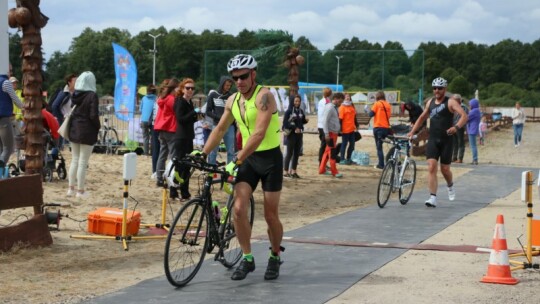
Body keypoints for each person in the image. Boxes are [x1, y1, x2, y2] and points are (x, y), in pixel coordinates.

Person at [201, 54, 284, 281]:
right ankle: (247, 259)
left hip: (270, 160)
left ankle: (275, 255)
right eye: (235, 77)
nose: (239, 81)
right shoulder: (232, 101)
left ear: (253, 74)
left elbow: (258, 134)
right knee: (238, 210)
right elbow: (219, 130)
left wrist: (236, 159)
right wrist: (202, 152)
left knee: (270, 215)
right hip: (248, 160)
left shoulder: (264, 96)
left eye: (243, 76)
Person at [407, 77, 468, 208]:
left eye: (440, 88)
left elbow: (464, 116)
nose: (437, 91)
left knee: (445, 169)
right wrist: (412, 132)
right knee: (431, 167)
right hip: (433, 139)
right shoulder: (430, 102)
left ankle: (450, 185)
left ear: (445, 89)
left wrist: (456, 127)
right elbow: (422, 117)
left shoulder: (450, 102)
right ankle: (432, 197)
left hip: (447, 140)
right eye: (434, 88)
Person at [66, 71, 100, 199]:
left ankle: (70, 189)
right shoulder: (92, 95)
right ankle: (80, 191)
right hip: (87, 131)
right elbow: (93, 115)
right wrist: (98, 126)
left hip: (74, 129)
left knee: (75, 159)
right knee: (82, 162)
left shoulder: (76, 94)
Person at [173, 78, 199, 200]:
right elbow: (180, 119)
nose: (190, 90)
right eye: (187, 88)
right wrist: (193, 112)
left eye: (192, 88)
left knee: (187, 165)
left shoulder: (189, 102)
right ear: (183, 89)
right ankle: (173, 190)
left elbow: (189, 119)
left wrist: (197, 117)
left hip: (188, 137)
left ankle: (185, 192)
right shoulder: (180, 101)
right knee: (179, 165)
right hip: (181, 137)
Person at [154, 78, 179, 186]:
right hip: (170, 128)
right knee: (173, 155)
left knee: (162, 154)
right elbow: (177, 111)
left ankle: (159, 178)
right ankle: (170, 177)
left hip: (162, 128)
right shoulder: (171, 99)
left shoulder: (162, 98)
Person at [205, 76, 235, 164]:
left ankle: (229, 171)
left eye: (229, 85)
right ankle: (211, 170)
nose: (228, 87)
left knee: (230, 151)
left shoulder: (231, 96)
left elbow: (234, 111)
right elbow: (208, 111)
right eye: (226, 85)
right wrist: (219, 118)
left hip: (229, 127)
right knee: (213, 150)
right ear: (222, 84)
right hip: (216, 126)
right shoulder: (213, 95)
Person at [0, 67, 24, 165]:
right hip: (3, 119)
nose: (11, 72)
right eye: (10, 70)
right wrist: (24, 107)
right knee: (8, 148)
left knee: (1, 148)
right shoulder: (6, 82)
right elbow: (16, 100)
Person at [318, 92, 345, 178]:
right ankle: (334, 171)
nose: (341, 104)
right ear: (336, 99)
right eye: (340, 101)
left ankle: (321, 169)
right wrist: (326, 134)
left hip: (333, 133)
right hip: (331, 134)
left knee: (327, 152)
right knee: (332, 153)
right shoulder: (330, 107)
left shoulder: (334, 107)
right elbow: (324, 121)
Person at [282, 95, 308, 178]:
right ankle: (285, 171)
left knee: (297, 154)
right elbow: (285, 124)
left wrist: (305, 121)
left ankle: (293, 171)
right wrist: (294, 127)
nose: (297, 103)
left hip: (299, 135)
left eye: (299, 101)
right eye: (296, 101)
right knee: (289, 153)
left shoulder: (300, 111)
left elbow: (302, 121)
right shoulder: (289, 111)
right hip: (291, 135)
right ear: (293, 102)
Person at [51, 74, 77, 149]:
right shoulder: (64, 93)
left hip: (71, 118)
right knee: (61, 137)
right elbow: (54, 106)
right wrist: (60, 117)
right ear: (69, 82)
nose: (77, 82)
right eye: (75, 80)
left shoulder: (75, 93)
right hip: (64, 118)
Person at [369, 91, 392, 169]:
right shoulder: (388, 105)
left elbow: (370, 114)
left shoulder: (377, 104)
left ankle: (381, 164)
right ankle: (386, 161)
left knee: (379, 147)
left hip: (378, 127)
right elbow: (389, 116)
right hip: (385, 128)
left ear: (377, 97)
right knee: (382, 144)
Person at [339, 93, 357, 165]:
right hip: (345, 129)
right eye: (346, 96)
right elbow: (340, 119)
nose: (347, 97)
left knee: (352, 144)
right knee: (344, 144)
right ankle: (342, 159)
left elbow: (354, 117)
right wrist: (340, 129)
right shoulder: (342, 107)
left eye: (348, 96)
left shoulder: (352, 106)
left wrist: (356, 125)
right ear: (344, 98)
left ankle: (349, 158)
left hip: (352, 129)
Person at [139, 84, 156, 156]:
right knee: (153, 137)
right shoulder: (156, 98)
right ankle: (152, 152)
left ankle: (146, 153)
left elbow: (140, 109)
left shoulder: (143, 98)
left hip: (144, 120)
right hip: (153, 120)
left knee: (145, 137)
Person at [317, 87, 332, 164]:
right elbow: (326, 115)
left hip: (320, 125)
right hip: (324, 126)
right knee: (324, 145)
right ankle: (321, 163)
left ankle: (322, 162)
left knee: (324, 145)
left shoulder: (320, 101)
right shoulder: (327, 102)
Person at [451, 94, 468, 163]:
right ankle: (454, 157)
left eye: (454, 100)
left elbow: (462, 117)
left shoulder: (463, 107)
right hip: (453, 126)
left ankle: (460, 158)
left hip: (459, 127)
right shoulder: (454, 106)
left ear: (458, 100)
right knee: (454, 143)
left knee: (460, 142)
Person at [466, 98, 481, 165]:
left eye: (470, 104)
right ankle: (474, 159)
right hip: (473, 129)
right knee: (473, 145)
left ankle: (475, 159)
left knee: (473, 146)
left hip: (472, 130)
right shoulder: (477, 110)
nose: (469, 106)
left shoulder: (474, 111)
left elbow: (466, 118)